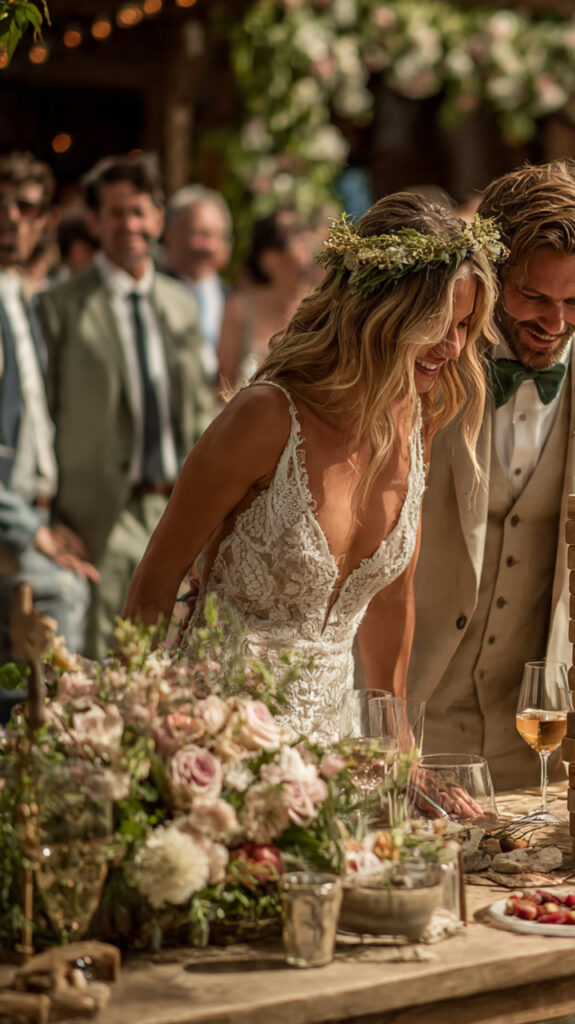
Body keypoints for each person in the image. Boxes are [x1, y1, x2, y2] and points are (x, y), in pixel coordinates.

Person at [123, 193, 503, 739]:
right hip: (214, 741)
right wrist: (136, 743)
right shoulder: (265, 416)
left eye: (465, 325)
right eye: (438, 321)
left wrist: (398, 749)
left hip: (334, 759)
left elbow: (391, 599)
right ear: (382, 310)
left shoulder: (417, 421)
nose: (452, 345)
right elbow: (153, 586)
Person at [407, 160, 575, 789]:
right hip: (411, 716)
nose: (555, 323)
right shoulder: (421, 360)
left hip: (544, 731)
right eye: (533, 297)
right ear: (493, 274)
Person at [36, 152, 212, 658]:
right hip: (97, 518)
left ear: (158, 217)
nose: (129, 225)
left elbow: (199, 410)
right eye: (115, 213)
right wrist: (47, 515)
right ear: (93, 221)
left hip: (175, 507)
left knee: (170, 664)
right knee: (105, 665)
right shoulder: (58, 306)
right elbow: (39, 414)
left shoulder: (180, 303)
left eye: (139, 211)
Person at [0, 152, 94, 691]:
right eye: (3, 203)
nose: (13, 217)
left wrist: (45, 522)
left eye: (27, 206)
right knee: (65, 594)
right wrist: (29, 528)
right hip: (10, 528)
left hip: (30, 515)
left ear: (44, 219)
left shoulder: (21, 297)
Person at [217, 208, 316, 391]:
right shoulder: (239, 308)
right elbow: (224, 386)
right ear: (269, 259)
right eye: (297, 238)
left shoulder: (322, 307)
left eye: (307, 235)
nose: (309, 247)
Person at [162, 185, 233, 384]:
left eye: (215, 235)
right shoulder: (150, 297)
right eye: (198, 234)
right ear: (169, 234)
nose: (207, 246)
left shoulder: (234, 300)